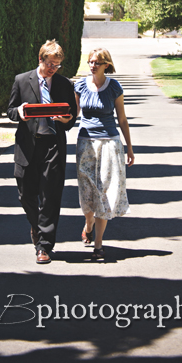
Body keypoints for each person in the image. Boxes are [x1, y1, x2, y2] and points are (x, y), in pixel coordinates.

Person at [7, 40, 77, 265]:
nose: (53, 69)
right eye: (50, 65)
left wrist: (65, 119)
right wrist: (19, 112)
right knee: (26, 194)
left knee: (50, 196)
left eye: (57, 66)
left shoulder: (64, 84)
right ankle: (37, 229)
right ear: (40, 59)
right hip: (28, 146)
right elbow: (10, 110)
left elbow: (71, 117)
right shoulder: (21, 80)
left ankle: (44, 246)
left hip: (53, 146)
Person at [74, 47, 134, 260]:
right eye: (90, 62)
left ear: (106, 64)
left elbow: (123, 119)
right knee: (87, 190)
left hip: (110, 142)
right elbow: (73, 114)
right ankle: (88, 223)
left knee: (105, 191)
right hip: (85, 143)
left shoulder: (114, 87)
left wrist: (130, 147)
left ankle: (98, 244)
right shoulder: (80, 85)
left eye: (97, 63)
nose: (92, 66)